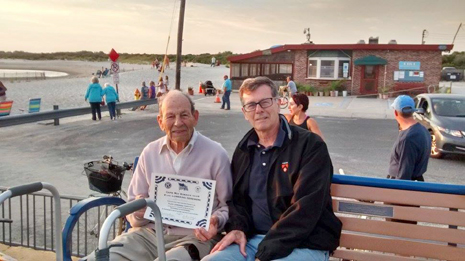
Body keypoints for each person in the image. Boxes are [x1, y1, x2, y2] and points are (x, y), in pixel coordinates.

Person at [202, 77, 341, 261]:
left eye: (265, 102)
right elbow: (238, 201)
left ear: (278, 103)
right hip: (252, 241)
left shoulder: (310, 146)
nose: (259, 110)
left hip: (303, 244)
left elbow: (306, 208)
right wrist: (238, 229)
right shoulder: (244, 149)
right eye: (251, 105)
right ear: (245, 112)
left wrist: (266, 252)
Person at [83, 90, 232, 261]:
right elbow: (132, 208)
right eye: (170, 117)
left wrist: (217, 221)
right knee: (101, 258)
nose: (178, 123)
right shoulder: (149, 153)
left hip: (194, 238)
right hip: (148, 236)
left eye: (184, 115)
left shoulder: (216, 154)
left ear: (195, 117)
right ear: (160, 122)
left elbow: (228, 205)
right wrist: (138, 213)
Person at [388, 95, 431, 181]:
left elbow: (404, 175)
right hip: (417, 181)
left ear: (396, 113)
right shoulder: (423, 130)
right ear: (413, 111)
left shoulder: (408, 139)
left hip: (402, 187)